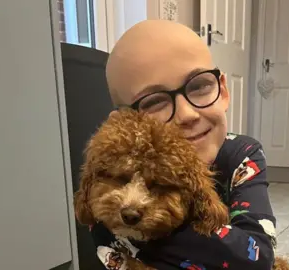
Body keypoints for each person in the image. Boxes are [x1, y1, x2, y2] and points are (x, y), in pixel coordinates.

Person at [90, 19, 277, 270]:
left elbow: (257, 257)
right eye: (154, 101)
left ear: (222, 91)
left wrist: (154, 233)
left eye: (200, 86)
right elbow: (106, 238)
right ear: (123, 124)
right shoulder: (110, 178)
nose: (187, 114)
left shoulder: (242, 154)